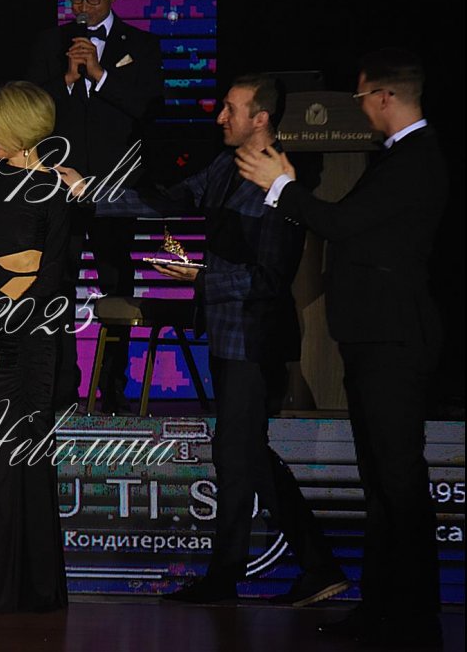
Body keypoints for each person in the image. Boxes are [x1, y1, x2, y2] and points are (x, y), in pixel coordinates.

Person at [61, 74, 348, 606]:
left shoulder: (282, 184)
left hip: (254, 341)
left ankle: (301, 566)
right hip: (226, 335)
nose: (220, 117)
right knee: (239, 454)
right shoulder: (225, 166)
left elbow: (269, 280)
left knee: (242, 454)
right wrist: (88, 192)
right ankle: (266, 571)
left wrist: (201, 279)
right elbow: (165, 201)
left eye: (231, 109)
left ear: (261, 118)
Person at [237, 49, 445, 648]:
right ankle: (382, 609)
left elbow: (343, 225)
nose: (361, 109)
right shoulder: (396, 157)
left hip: (393, 338)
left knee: (398, 479)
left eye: (360, 98)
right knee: (380, 481)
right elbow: (348, 222)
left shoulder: (417, 157)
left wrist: (282, 187)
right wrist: (288, 188)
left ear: (384, 96)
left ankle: (413, 617)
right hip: (371, 336)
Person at [0, 81, 69, 612]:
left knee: (32, 459)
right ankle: (4, 587)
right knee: (2, 463)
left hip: (32, 342)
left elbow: (51, 277)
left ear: (20, 129)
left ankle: (40, 589)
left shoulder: (56, 192)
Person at [28, 0, 163, 412]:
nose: (83, 7)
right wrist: (67, 80)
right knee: (56, 285)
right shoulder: (50, 43)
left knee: (117, 285)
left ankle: (113, 387)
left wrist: (101, 74)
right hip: (60, 188)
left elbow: (148, 106)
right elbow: (31, 109)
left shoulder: (142, 45)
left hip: (116, 191)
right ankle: (61, 386)